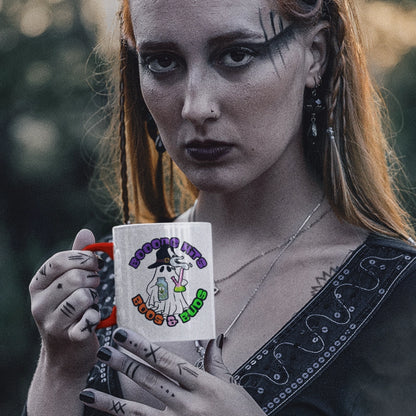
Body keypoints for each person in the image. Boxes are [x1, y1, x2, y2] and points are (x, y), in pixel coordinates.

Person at [24, 0, 416, 414]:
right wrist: (60, 371)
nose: (195, 106)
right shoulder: (106, 284)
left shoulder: (399, 293)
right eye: (162, 61)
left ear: (314, 55)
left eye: (236, 54)